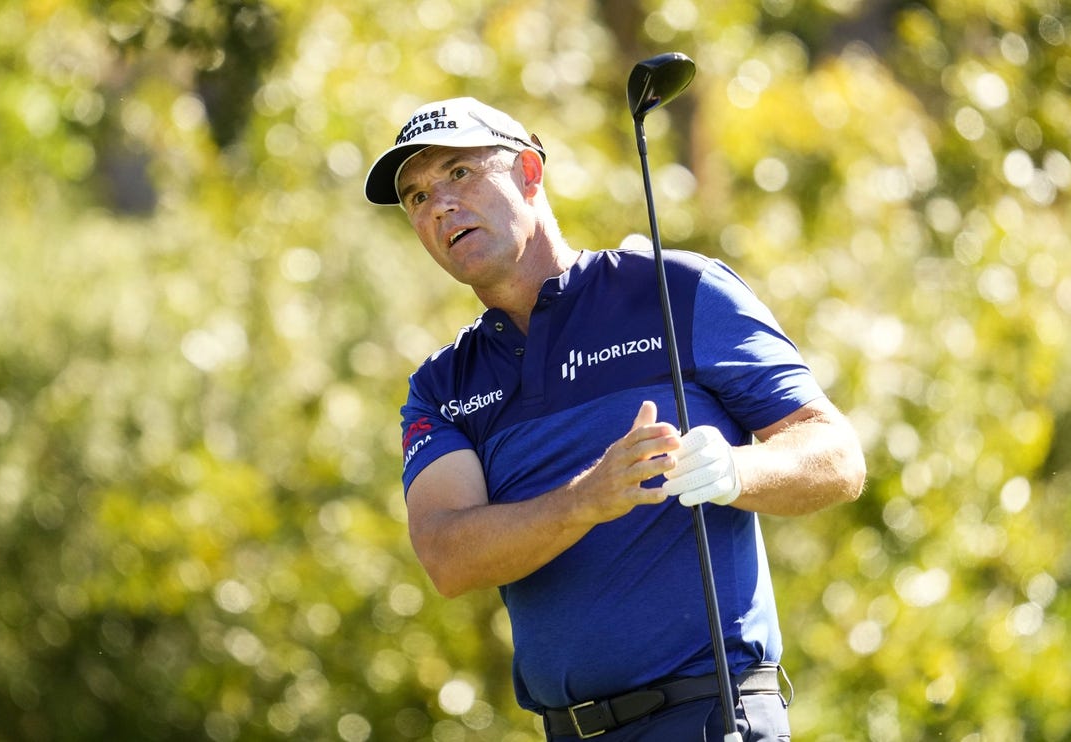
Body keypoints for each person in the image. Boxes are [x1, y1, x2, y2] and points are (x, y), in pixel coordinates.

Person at [364, 96, 866, 741]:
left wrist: (736, 469)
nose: (438, 205)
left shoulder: (677, 290)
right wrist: (587, 499)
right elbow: (447, 555)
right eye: (415, 196)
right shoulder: (441, 386)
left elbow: (835, 456)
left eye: (458, 173)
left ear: (528, 172)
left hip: (714, 717)